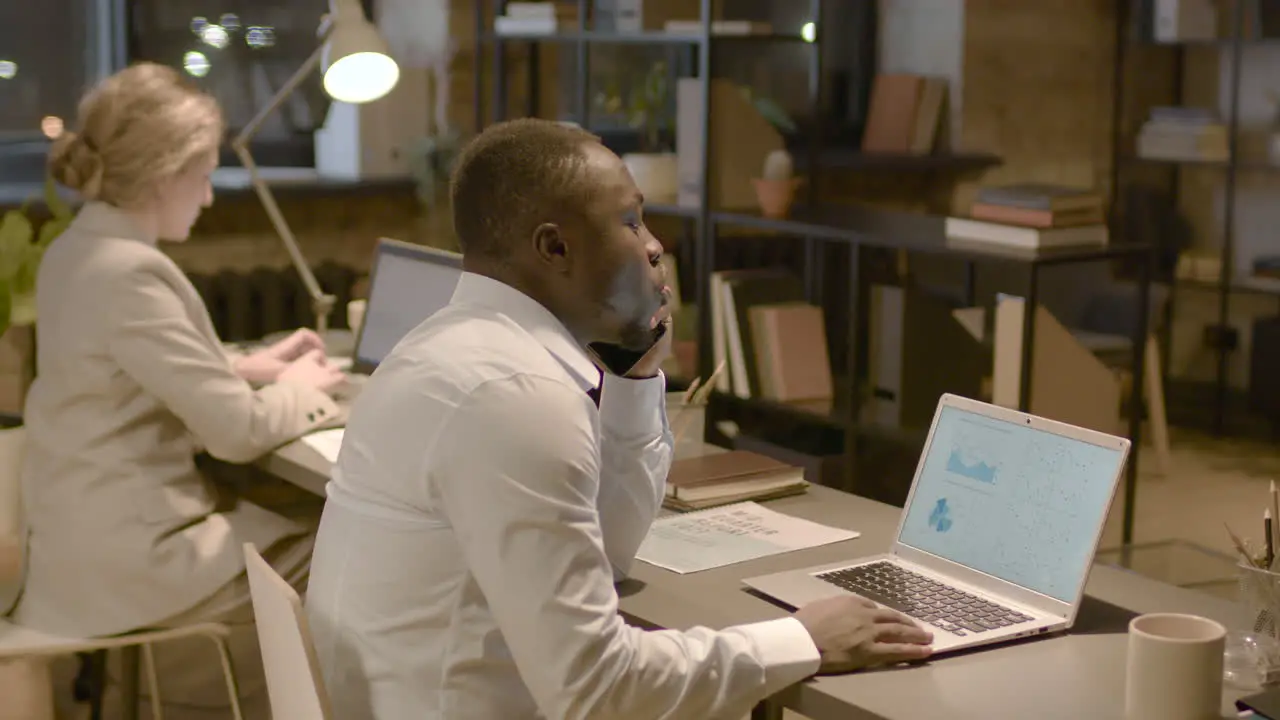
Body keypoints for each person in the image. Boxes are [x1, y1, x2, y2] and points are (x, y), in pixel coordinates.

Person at [305, 117, 933, 719]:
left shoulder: (451, 347)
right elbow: (594, 689)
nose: (655, 245)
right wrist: (800, 641)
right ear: (554, 247)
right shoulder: (516, 395)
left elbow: (606, 557)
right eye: (631, 221)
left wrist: (632, 380)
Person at [10, 62, 346, 718]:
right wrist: (305, 387)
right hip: (128, 560)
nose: (210, 196)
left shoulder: (76, 250)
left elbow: (121, 365)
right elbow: (238, 433)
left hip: (73, 541)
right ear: (166, 176)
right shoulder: (132, 273)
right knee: (347, 544)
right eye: (204, 175)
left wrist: (252, 367)